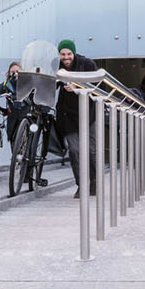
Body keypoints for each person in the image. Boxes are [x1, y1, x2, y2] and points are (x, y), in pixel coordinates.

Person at [52, 38, 103, 195]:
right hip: (68, 115)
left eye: (69, 54)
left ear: (73, 53)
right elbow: (50, 83)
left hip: (88, 113)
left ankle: (94, 181)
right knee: (74, 150)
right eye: (63, 54)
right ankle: (82, 185)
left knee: (91, 150)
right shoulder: (55, 65)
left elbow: (99, 85)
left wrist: (77, 86)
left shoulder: (86, 64)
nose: (66, 57)